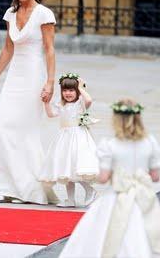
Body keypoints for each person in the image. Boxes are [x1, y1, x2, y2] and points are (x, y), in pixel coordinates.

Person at [0, 0, 57, 204]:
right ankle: (6, 186)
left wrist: (50, 82)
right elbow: (8, 48)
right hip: (15, 75)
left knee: (25, 131)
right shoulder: (10, 13)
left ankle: (27, 188)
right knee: (3, 126)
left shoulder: (44, 15)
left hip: (34, 75)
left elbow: (49, 49)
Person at [60, 99, 160, 257]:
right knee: (144, 231)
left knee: (105, 233)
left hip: (117, 196)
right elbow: (155, 177)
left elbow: (103, 178)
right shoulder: (150, 143)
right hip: (143, 197)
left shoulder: (110, 145)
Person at [39, 73, 99, 207]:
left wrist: (81, 88)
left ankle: (90, 190)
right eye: (65, 90)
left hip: (78, 137)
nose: (68, 93)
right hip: (64, 138)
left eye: (71, 90)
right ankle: (70, 199)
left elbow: (89, 100)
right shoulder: (62, 105)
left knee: (76, 168)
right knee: (66, 170)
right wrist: (46, 103)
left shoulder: (80, 104)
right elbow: (51, 114)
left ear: (77, 91)